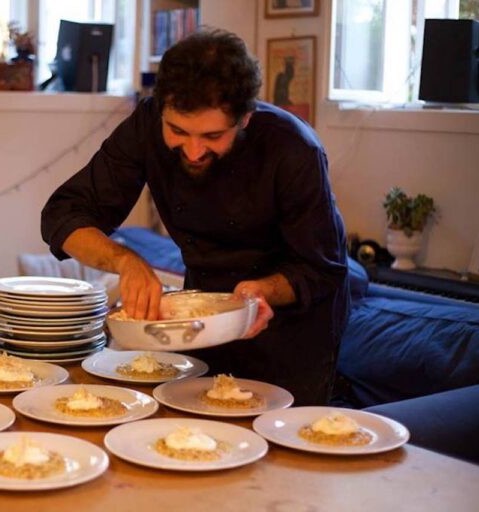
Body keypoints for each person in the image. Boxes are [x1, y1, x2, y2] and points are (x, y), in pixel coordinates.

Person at [40, 29, 349, 405]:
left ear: (245, 118)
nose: (194, 150)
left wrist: (260, 292)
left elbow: (323, 269)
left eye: (212, 135)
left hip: (289, 332)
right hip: (200, 320)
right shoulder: (147, 124)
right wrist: (127, 262)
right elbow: (64, 213)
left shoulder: (294, 149)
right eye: (178, 131)